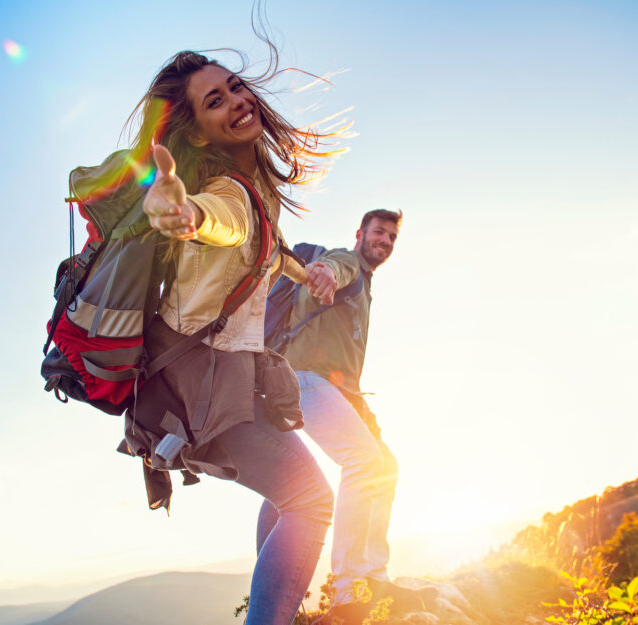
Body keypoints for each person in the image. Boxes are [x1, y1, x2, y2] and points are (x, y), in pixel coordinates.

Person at [132, 50, 341, 625]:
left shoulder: (255, 193)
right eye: (214, 102)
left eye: (235, 87)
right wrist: (181, 212)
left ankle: (276, 610)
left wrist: (309, 272)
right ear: (196, 133)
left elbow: (268, 248)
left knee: (292, 495)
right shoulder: (228, 194)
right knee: (311, 499)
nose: (237, 101)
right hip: (204, 388)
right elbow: (215, 220)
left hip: (225, 380)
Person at [257, 210, 423, 623]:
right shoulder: (348, 264)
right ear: (360, 235)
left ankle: (372, 576)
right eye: (378, 233)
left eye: (391, 237)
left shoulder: (365, 287)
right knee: (363, 462)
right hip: (304, 379)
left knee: (385, 466)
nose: (384, 241)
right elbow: (337, 264)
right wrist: (327, 273)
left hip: (335, 389)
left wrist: (361, 408)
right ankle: (351, 590)